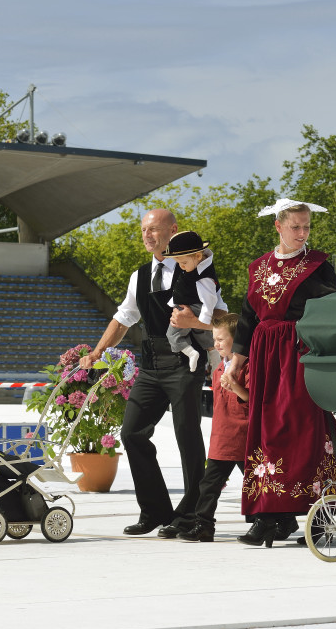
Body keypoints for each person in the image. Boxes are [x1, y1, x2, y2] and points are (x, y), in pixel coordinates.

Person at [80, 208, 224, 537]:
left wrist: (196, 325)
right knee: (132, 433)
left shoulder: (194, 267)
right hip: (150, 364)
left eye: (154, 229)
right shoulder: (140, 275)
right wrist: (98, 351)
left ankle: (191, 515)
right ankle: (155, 510)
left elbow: (219, 316)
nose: (148, 235)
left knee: (188, 437)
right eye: (144, 230)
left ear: (173, 230)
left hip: (184, 363)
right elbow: (124, 318)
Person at [223, 198, 336, 547]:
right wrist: (236, 363)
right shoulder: (258, 267)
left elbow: (333, 312)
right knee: (268, 432)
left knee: (307, 430)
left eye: (307, 226)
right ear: (278, 226)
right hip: (265, 357)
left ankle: (320, 519)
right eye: (295, 226)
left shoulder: (318, 266)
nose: (303, 233)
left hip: (301, 354)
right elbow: (248, 319)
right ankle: (269, 516)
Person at [178, 313, 249, 543]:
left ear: (236, 341)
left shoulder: (247, 367)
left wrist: (235, 386)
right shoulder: (218, 369)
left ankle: (280, 519)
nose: (215, 344)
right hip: (222, 437)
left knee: (255, 482)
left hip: (244, 436)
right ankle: (204, 525)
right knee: (209, 485)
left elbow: (253, 399)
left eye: (220, 339)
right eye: (214, 339)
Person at [162, 231, 220, 374]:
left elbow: (209, 299)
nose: (181, 266)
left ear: (198, 256)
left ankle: (191, 353)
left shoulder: (203, 276)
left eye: (184, 263)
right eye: (178, 263)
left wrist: (204, 320)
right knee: (201, 333)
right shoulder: (196, 267)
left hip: (193, 307)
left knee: (173, 334)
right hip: (193, 305)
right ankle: (214, 354)